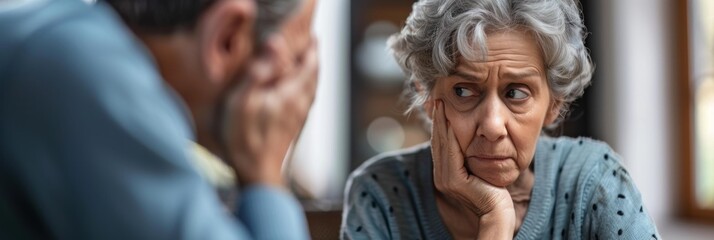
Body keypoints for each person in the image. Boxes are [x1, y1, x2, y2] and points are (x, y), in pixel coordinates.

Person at [341, 0, 660, 239]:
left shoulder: (594, 181)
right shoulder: (380, 195)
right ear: (427, 96)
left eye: (517, 93)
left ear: (554, 105)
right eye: (464, 91)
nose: (492, 126)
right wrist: (496, 220)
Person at [0, 0, 317, 239]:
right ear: (228, 37)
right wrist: (264, 175)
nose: (302, 86)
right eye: (300, 55)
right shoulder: (88, 72)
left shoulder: (62, 40)